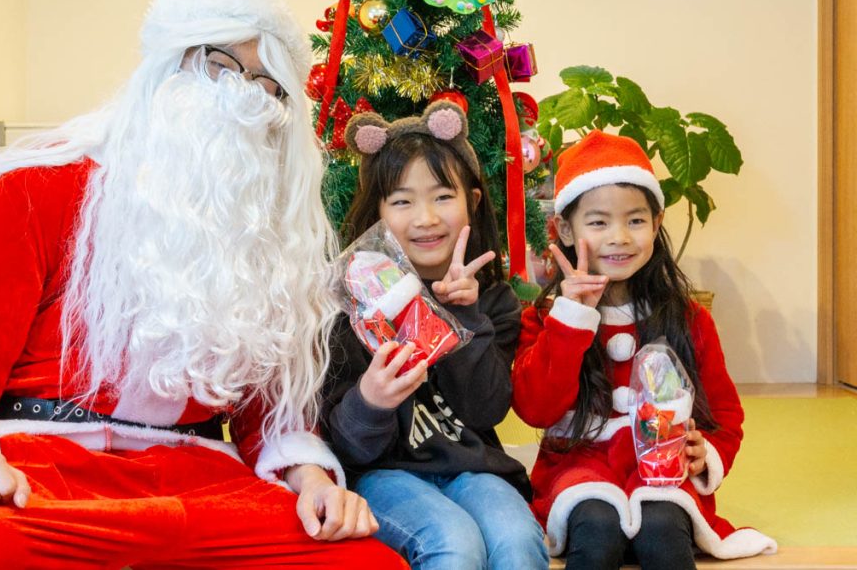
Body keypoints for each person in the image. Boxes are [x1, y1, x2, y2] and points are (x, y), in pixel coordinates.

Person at [0, 0, 407, 570]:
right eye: (221, 64)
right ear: (168, 68)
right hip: (45, 467)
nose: (243, 96)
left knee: (363, 563)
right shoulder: (39, 186)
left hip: (199, 479)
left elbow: (267, 410)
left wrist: (313, 480)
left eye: (267, 85)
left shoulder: (256, 232)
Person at [511, 130, 777, 568]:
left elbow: (725, 416)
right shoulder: (546, 318)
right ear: (565, 230)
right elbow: (535, 409)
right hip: (577, 473)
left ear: (656, 223)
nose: (619, 237)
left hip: (664, 472)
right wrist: (571, 320)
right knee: (596, 528)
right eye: (598, 223)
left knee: (663, 530)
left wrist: (704, 451)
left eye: (635, 221)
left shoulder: (690, 319)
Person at [320, 100, 549, 570]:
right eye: (402, 201)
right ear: (377, 211)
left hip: (473, 468)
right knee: (454, 543)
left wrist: (465, 317)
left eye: (443, 196)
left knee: (516, 541)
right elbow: (346, 446)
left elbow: (486, 410)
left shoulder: (494, 302)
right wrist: (371, 400)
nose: (425, 217)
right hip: (382, 475)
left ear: (472, 202)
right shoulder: (352, 306)